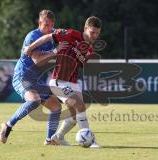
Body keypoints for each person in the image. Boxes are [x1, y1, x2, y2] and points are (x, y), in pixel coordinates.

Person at [25, 16, 102, 148]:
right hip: (58, 82)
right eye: (92, 32)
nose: (94, 36)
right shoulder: (71, 34)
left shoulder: (89, 50)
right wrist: (30, 47)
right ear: (85, 28)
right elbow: (48, 37)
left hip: (73, 83)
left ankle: (57, 137)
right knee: (80, 105)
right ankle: (90, 141)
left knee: (74, 117)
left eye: (97, 33)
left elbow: (77, 63)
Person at [0, 10, 69, 145]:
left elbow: (65, 36)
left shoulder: (53, 33)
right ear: (39, 23)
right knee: (34, 100)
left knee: (56, 107)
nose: (48, 28)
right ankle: (7, 125)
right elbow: (38, 60)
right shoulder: (32, 36)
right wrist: (55, 51)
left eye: (51, 25)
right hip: (22, 77)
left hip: (38, 80)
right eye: (45, 25)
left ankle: (49, 140)